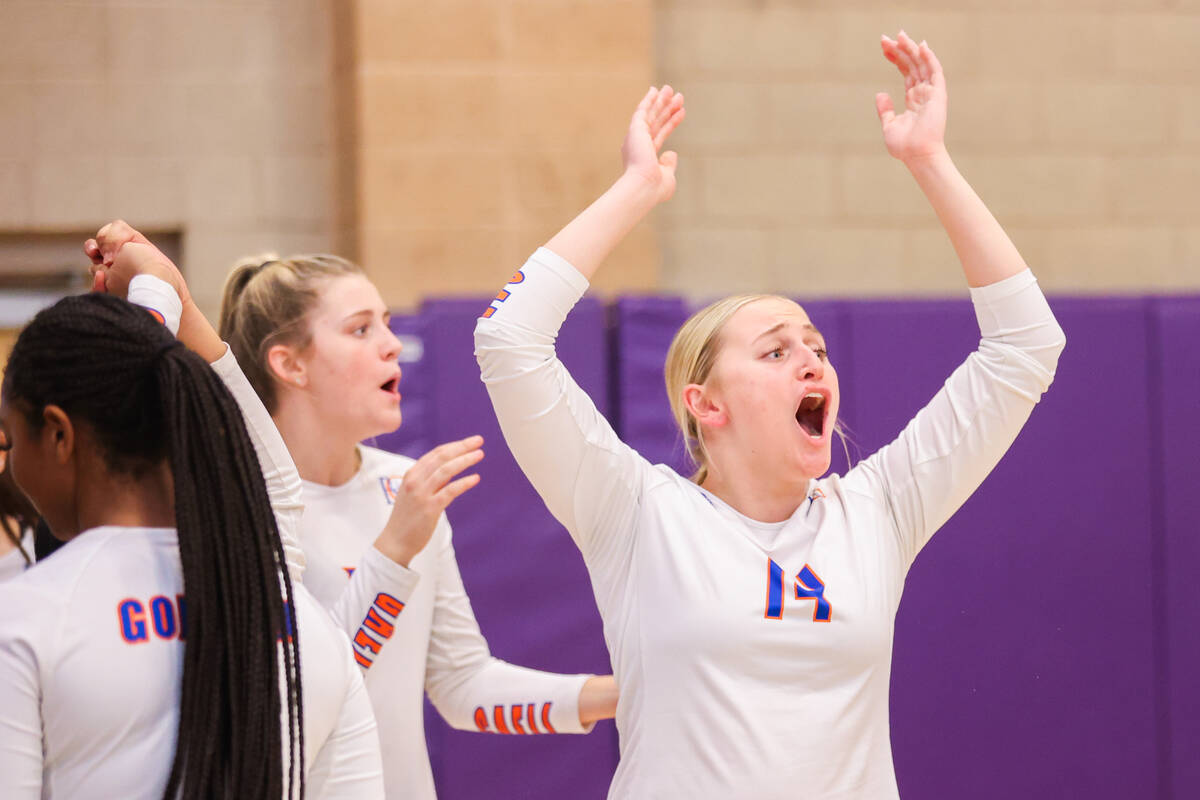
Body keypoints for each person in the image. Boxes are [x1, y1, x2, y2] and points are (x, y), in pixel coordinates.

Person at [475, 33, 1067, 799]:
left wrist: (931, 161)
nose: (811, 361)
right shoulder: (636, 512)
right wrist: (636, 189)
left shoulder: (879, 510)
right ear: (704, 403)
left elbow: (1026, 345)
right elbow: (508, 337)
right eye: (776, 351)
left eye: (815, 347)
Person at [0, 222, 385, 799]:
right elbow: (276, 490)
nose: (12, 469)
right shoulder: (305, 620)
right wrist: (165, 296)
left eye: (9, 441)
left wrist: (164, 300)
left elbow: (275, 489)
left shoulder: (24, 626)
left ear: (57, 434)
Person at [219, 244, 618, 796]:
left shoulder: (399, 487)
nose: (391, 345)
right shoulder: (237, 507)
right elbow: (306, 700)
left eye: (386, 323)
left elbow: (463, 686)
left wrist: (620, 694)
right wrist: (393, 552)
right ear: (290, 364)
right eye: (361, 330)